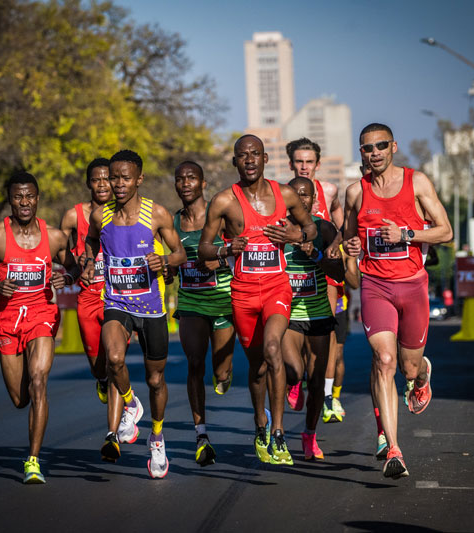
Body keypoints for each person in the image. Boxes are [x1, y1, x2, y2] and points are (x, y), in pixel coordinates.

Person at [199, 134, 317, 466]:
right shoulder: (224, 201)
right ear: (235, 162)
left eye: (255, 154)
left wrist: (296, 235)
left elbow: (311, 229)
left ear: (265, 158)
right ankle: (260, 424)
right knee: (257, 365)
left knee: (273, 349)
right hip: (243, 294)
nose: (249, 160)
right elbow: (204, 249)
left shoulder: (286, 194)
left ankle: (279, 432)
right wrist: (225, 249)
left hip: (277, 289)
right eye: (242, 155)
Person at [342, 123, 452, 479]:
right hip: (375, 286)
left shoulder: (416, 182)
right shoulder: (355, 192)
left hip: (413, 285)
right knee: (384, 360)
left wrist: (407, 234)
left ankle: (421, 376)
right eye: (367, 148)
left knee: (407, 367)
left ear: (393, 147)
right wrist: (351, 248)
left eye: (380, 146)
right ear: (361, 153)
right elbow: (348, 238)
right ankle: (394, 449)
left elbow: (446, 232)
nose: (374, 153)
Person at [0, 171, 81, 484]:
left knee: (39, 380)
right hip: (8, 319)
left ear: (38, 198)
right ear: (10, 200)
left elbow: (73, 265)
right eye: (18, 197)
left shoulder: (54, 236)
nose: (25, 202)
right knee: (20, 398)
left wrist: (67, 277)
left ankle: (33, 460)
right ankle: (30, 398)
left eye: (30, 196)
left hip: (42, 314)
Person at [83, 150, 186, 479]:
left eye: (126, 178)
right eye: (114, 177)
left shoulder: (156, 214)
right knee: (113, 359)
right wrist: (87, 263)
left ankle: (156, 436)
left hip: (152, 308)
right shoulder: (101, 216)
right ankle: (129, 402)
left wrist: (165, 262)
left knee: (156, 380)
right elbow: (89, 242)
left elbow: (180, 252)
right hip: (116, 301)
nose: (119, 184)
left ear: (139, 179)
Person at [169, 161, 236, 467]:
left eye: (191, 178)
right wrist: (169, 268)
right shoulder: (171, 222)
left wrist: (219, 262)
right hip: (191, 302)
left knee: (220, 373)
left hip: (223, 300)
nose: (185, 184)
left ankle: (224, 373)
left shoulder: (219, 215)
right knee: (195, 362)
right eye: (180, 179)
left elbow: (241, 249)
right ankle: (201, 435)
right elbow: (171, 260)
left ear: (203, 183)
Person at [59, 158, 124, 441]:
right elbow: (58, 249)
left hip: (117, 297)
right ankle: (99, 378)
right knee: (99, 365)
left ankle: (114, 430)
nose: (101, 184)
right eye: (95, 180)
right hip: (87, 296)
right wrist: (75, 267)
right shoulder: (74, 216)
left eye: (106, 179)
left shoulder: (122, 213)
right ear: (88, 183)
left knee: (115, 361)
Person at [281, 176, 343, 460]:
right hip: (288, 314)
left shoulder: (324, 228)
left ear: (314, 199)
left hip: (318, 313)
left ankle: (309, 434)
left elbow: (340, 273)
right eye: (295, 194)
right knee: (294, 369)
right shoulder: (278, 230)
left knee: (317, 380)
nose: (300, 199)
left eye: (305, 195)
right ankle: (293, 382)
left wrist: (316, 253)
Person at [284, 138, 344, 411]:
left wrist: (334, 247)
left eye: (309, 162)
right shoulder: (283, 192)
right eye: (299, 161)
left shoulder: (329, 190)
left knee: (325, 328)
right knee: (293, 332)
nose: (304, 167)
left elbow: (343, 226)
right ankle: (295, 378)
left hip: (322, 267)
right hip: (292, 270)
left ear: (317, 164)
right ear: (291, 164)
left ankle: (328, 394)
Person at [322, 248, 360, 424]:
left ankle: (334, 397)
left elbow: (355, 283)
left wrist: (341, 265)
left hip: (338, 308)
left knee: (336, 355)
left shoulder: (346, 249)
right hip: (313, 303)